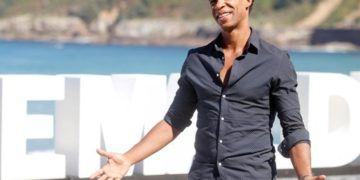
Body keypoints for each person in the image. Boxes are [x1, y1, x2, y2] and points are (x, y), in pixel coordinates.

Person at [91, 0, 327, 179]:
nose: (219, 4)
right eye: (213, 0)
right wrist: (128, 159)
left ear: (248, 1)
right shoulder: (197, 60)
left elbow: (293, 128)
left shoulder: (275, 61)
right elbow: (174, 121)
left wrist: (305, 176)